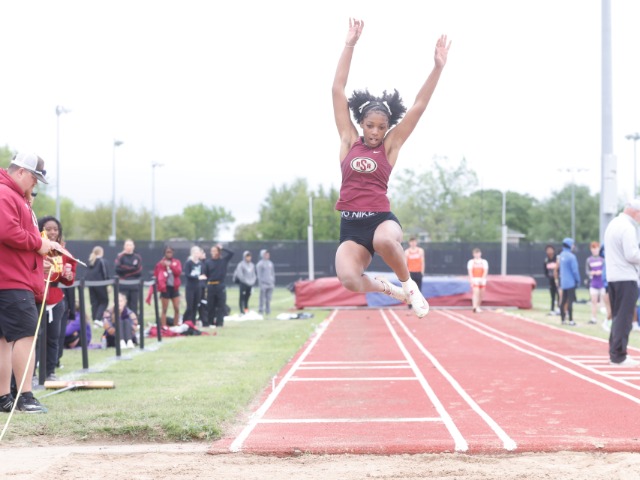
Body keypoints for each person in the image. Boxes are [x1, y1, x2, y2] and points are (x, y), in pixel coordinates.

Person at [331, 18, 450, 318]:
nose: (375, 132)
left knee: (384, 240)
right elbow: (337, 89)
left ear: (387, 128)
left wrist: (437, 68)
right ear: (361, 123)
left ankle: (409, 287)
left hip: (381, 220)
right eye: (370, 125)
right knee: (349, 279)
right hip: (351, 226)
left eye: (381, 127)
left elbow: (419, 106)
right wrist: (349, 44)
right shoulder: (348, 140)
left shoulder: (389, 146)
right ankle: (389, 289)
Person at [0, 152, 58, 413]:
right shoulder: (6, 193)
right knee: (25, 336)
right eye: (34, 178)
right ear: (21, 172)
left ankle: (4, 398)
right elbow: (8, 232)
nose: (35, 184)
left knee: (4, 340)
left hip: (10, 278)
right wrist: (39, 244)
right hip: (12, 281)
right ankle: (25, 397)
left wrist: (37, 257)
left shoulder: (14, 195)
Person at [37, 216, 77, 381]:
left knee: (53, 339)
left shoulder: (62, 251)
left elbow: (68, 279)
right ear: (41, 230)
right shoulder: (34, 249)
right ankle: (31, 374)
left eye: (55, 229)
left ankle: (50, 371)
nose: (52, 232)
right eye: (48, 229)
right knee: (34, 339)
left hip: (56, 300)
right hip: (36, 299)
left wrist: (68, 275)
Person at [604, 199, 640, 366]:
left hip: (614, 277)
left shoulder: (614, 224)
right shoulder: (628, 227)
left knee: (618, 316)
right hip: (626, 277)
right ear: (636, 212)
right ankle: (619, 356)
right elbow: (631, 255)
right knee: (624, 318)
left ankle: (615, 353)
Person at [202, 244, 234, 327]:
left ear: (219, 252)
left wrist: (222, 248)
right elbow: (205, 275)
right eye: (212, 251)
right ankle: (210, 322)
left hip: (220, 285)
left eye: (215, 251)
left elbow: (231, 253)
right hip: (211, 285)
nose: (213, 252)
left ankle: (219, 323)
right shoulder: (208, 262)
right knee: (210, 305)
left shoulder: (223, 261)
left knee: (221, 305)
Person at [154, 246, 182, 327]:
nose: (169, 254)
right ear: (164, 253)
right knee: (164, 308)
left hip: (174, 287)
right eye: (167, 252)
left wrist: (170, 266)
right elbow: (157, 274)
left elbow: (178, 272)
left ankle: (176, 324)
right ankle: (163, 325)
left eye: (170, 252)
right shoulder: (160, 264)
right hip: (165, 288)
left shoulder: (176, 262)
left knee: (176, 308)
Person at [114, 239, 143, 318]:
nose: (129, 247)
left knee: (134, 305)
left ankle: (134, 321)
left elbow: (138, 271)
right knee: (123, 305)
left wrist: (126, 271)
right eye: (127, 245)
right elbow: (118, 269)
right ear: (124, 246)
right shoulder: (120, 257)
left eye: (130, 245)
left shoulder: (137, 257)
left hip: (134, 285)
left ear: (133, 246)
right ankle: (123, 321)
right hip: (123, 285)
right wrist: (131, 268)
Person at [558, 238, 580, 326]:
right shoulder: (571, 256)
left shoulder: (561, 255)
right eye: (572, 244)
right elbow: (575, 271)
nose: (573, 246)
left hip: (563, 282)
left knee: (563, 301)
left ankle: (563, 319)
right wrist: (578, 280)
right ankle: (571, 320)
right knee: (570, 301)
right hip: (571, 282)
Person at [85, 246, 110, 325]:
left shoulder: (91, 261)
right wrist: (108, 284)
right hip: (100, 284)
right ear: (101, 252)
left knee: (94, 302)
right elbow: (105, 273)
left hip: (91, 285)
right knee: (104, 301)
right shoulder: (102, 261)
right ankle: (98, 319)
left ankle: (95, 320)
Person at [586, 241, 605, 325]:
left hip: (602, 284)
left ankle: (606, 319)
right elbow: (587, 271)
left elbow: (605, 270)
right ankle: (593, 318)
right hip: (593, 284)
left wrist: (601, 272)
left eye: (596, 248)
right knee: (594, 301)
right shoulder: (589, 260)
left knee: (604, 303)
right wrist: (592, 273)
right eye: (593, 248)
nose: (595, 250)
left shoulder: (602, 260)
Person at [183, 246, 204, 325]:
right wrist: (197, 277)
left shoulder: (200, 263)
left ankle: (193, 322)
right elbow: (187, 274)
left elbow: (202, 273)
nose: (197, 254)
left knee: (196, 305)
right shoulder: (189, 263)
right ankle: (185, 321)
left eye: (198, 253)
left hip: (197, 287)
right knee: (190, 306)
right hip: (190, 287)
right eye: (195, 253)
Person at [405, 237, 425, 310]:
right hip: (410, 273)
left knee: (418, 290)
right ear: (409, 243)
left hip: (418, 272)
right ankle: (410, 305)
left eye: (414, 242)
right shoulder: (407, 252)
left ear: (416, 243)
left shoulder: (420, 251)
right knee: (410, 290)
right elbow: (405, 263)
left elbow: (422, 262)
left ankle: (418, 305)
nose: (413, 243)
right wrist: (406, 273)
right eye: (411, 242)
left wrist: (422, 272)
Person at [467, 248, 488, 313]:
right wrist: (471, 279)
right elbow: (470, 271)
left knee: (481, 294)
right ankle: (474, 307)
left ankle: (478, 306)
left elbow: (485, 270)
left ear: (480, 254)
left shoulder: (484, 262)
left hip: (482, 279)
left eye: (478, 253)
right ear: (473, 254)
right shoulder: (471, 262)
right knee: (476, 293)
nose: (477, 255)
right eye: (476, 253)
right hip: (475, 279)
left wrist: (482, 279)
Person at [256, 249, 276, 317]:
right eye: (265, 254)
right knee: (262, 299)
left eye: (268, 254)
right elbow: (259, 275)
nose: (267, 255)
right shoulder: (260, 264)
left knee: (268, 298)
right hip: (263, 284)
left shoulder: (270, 263)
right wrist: (261, 284)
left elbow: (272, 273)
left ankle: (268, 311)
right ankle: (261, 310)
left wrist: (273, 281)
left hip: (270, 283)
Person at [543, 244, 560, 315]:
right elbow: (545, 271)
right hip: (551, 280)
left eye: (550, 250)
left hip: (557, 280)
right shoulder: (546, 260)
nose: (549, 251)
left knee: (559, 294)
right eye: (548, 250)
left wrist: (557, 277)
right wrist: (549, 276)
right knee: (552, 295)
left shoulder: (557, 259)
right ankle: (552, 309)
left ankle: (559, 308)